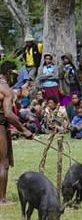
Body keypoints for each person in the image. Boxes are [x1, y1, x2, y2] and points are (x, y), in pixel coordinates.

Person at [0, 67, 33, 205]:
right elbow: (8, 114)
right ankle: (1, 199)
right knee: (3, 163)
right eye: (14, 76)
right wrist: (24, 129)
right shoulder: (4, 88)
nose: (15, 79)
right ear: (7, 74)